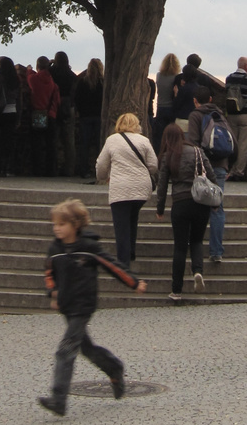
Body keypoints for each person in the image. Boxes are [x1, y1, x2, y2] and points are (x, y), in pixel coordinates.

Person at [39, 199, 146, 415]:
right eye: (55, 224)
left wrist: (133, 282)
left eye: (61, 224)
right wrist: (53, 292)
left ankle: (58, 399)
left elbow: (112, 266)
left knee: (65, 350)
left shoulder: (89, 247)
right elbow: (49, 273)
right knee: (87, 349)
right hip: (67, 305)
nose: (56, 228)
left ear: (75, 224)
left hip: (83, 304)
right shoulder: (55, 249)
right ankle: (114, 368)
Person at [155, 121, 210, 302]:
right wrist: (216, 200)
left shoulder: (167, 156)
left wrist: (160, 208)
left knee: (180, 246)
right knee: (196, 240)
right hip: (200, 202)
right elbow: (211, 174)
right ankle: (198, 271)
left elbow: (162, 185)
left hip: (180, 203)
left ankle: (176, 291)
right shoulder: (197, 151)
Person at [95, 112, 159, 266]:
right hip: (141, 188)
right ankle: (131, 251)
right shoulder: (144, 140)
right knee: (132, 217)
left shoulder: (112, 140)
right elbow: (153, 165)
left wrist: (103, 176)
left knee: (121, 224)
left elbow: (101, 166)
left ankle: (123, 263)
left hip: (120, 188)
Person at [187, 84, 236, 263]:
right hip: (220, 166)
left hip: (201, 167)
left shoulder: (195, 115)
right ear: (210, 99)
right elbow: (234, 142)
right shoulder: (220, 114)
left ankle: (194, 244)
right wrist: (228, 165)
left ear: (195, 101)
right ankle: (216, 252)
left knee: (195, 204)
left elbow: (192, 143)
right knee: (217, 207)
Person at [0, 57, 22, 177]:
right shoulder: (16, 79)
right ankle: (8, 168)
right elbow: (19, 99)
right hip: (12, 112)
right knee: (9, 142)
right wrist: (19, 117)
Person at [27, 57, 61, 176]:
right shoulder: (53, 82)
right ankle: (51, 170)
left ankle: (37, 170)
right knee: (51, 145)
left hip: (37, 114)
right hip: (50, 115)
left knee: (37, 144)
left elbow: (29, 76)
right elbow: (57, 101)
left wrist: (29, 69)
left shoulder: (33, 79)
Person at [74, 58, 104, 181]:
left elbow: (77, 100)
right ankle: (99, 170)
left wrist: (80, 112)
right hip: (99, 116)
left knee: (84, 145)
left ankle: (84, 170)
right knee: (99, 145)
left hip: (85, 116)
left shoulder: (82, 82)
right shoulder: (103, 83)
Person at [51, 51, 78, 180]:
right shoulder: (72, 76)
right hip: (69, 106)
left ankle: (54, 167)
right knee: (69, 140)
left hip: (54, 106)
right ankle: (69, 168)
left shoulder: (52, 73)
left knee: (54, 138)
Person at [152, 52, 181, 149]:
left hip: (160, 107)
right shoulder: (176, 78)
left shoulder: (159, 75)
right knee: (172, 135)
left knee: (159, 136)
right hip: (171, 108)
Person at [171, 63, 200, 128]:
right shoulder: (199, 88)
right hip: (195, 120)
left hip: (183, 119)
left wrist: (176, 94)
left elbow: (176, 105)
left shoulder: (183, 89)